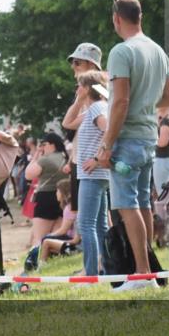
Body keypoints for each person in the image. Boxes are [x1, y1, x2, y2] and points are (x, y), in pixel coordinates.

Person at [95, 0, 169, 290]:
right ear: (139, 17)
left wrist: (106, 145)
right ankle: (149, 271)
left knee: (127, 206)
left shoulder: (121, 51)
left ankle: (142, 274)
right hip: (148, 138)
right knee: (142, 203)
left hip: (127, 139)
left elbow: (119, 102)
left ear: (117, 19)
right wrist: (147, 106)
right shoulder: (157, 50)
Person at [74, 70, 111, 276]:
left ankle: (91, 273)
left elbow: (108, 130)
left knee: (85, 224)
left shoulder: (97, 107)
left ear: (88, 88)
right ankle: (107, 268)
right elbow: (68, 122)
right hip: (99, 175)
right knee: (99, 225)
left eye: (80, 86)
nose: (77, 89)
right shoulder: (98, 106)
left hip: (93, 174)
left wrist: (97, 159)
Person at [63, 43, 104, 213]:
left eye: (78, 62)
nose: (73, 66)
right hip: (80, 159)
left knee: (89, 219)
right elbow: (72, 127)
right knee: (83, 215)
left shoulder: (101, 91)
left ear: (92, 65)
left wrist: (98, 158)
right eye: (73, 62)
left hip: (93, 163)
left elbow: (107, 128)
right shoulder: (83, 89)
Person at [24, 133, 70, 246]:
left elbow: (28, 175)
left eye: (43, 144)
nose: (41, 147)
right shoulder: (67, 157)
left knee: (39, 237)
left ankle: (38, 260)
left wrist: (36, 156)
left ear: (51, 145)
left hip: (45, 197)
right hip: (63, 198)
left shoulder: (45, 160)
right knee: (57, 236)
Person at [153, 108, 169, 198]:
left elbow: (163, 141)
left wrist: (151, 143)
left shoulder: (165, 121)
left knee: (163, 195)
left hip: (162, 160)